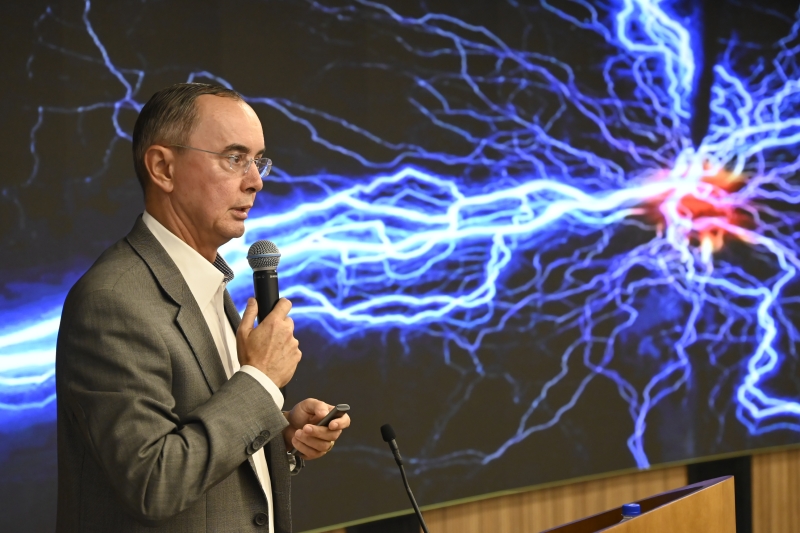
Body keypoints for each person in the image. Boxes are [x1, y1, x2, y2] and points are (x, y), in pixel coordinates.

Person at [55, 83, 350, 532]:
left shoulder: (206, 281)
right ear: (163, 168)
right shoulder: (111, 302)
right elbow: (155, 482)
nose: (256, 180)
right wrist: (261, 382)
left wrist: (281, 436)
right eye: (234, 158)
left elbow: (203, 441)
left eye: (258, 160)